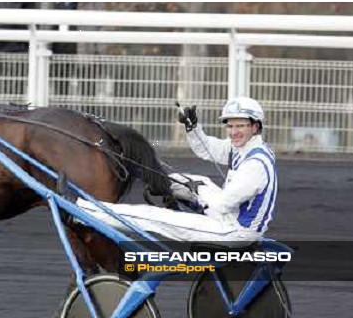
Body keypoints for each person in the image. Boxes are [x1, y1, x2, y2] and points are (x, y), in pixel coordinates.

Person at [77, 97, 277, 244]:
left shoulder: (255, 165)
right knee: (194, 181)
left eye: (240, 126)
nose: (234, 132)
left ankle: (85, 211)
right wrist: (193, 128)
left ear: (255, 126)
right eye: (231, 126)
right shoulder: (245, 147)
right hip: (233, 215)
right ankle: (158, 183)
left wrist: (196, 197)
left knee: (152, 217)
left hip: (235, 231)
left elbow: (224, 204)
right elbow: (206, 149)